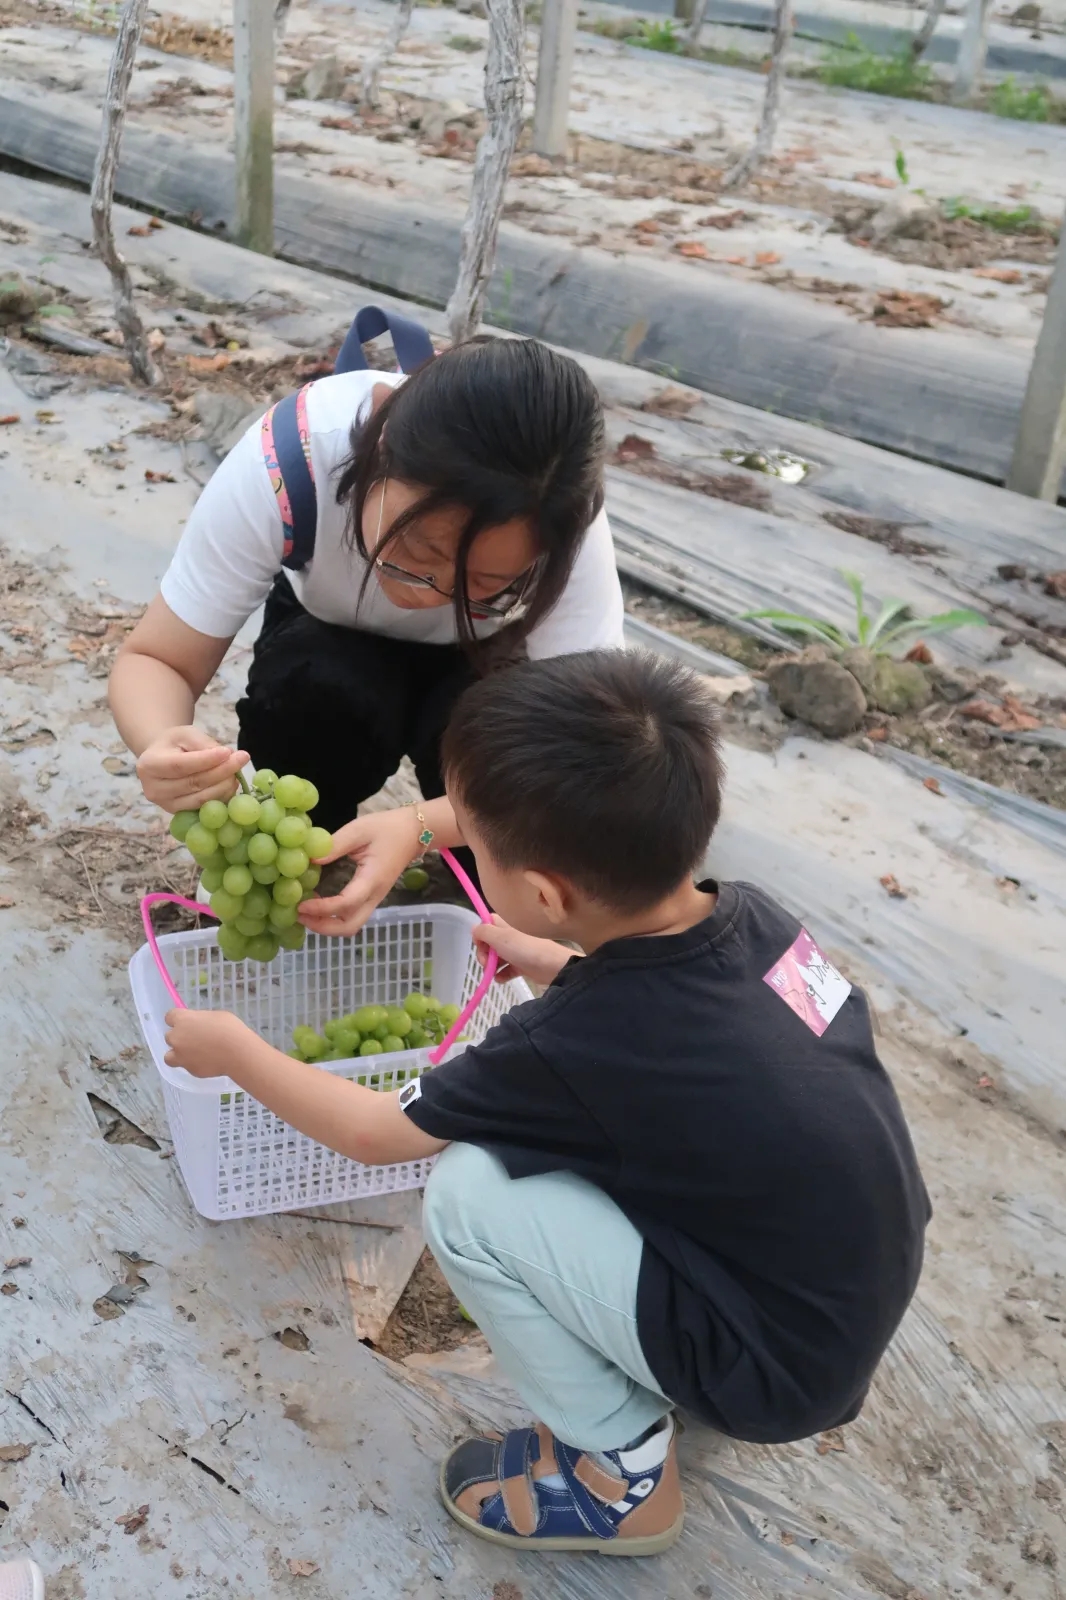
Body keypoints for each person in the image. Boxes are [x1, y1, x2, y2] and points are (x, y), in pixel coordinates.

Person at [162, 649, 930, 1557]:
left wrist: (236, 1052)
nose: (464, 856)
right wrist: (566, 967)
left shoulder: (570, 1045)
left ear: (545, 895)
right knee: (603, 1144)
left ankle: (624, 1483)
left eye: (474, 847)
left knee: (470, 1194)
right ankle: (679, 1363)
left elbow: (374, 1134)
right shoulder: (754, 916)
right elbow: (730, 1047)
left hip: (771, 1368)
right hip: (839, 1295)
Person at [109, 335, 624, 928]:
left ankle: (467, 861)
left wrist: (423, 825)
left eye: (483, 581)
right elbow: (158, 659)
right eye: (414, 548)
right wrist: (160, 741)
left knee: (523, 844)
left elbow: (587, 757)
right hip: (327, 641)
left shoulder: (566, 528)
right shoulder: (291, 462)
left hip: (477, 666)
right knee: (317, 692)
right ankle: (316, 859)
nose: (426, 594)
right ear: (378, 447)